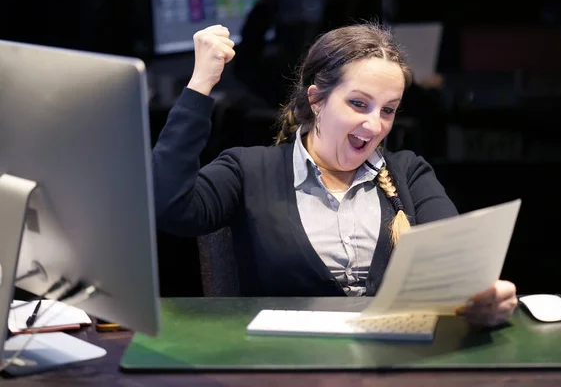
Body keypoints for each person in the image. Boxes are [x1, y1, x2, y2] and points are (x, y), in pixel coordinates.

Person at [152, 22, 518, 328]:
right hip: (282, 370)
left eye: (388, 110)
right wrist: (199, 84)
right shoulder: (248, 169)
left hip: (389, 367)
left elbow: (456, 268)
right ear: (317, 100)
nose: (374, 124)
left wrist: (479, 300)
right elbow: (169, 207)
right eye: (358, 103)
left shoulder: (409, 173)